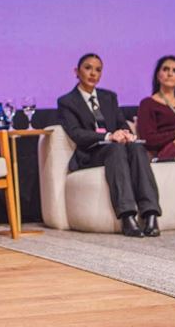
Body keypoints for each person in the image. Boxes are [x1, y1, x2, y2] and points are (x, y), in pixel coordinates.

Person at [57, 53, 161, 237]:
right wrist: (109, 136)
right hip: (91, 153)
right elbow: (76, 133)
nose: (93, 73)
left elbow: (121, 122)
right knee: (116, 149)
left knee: (137, 147)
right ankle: (127, 216)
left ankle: (151, 214)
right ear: (76, 71)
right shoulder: (67, 101)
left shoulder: (109, 97)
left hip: (116, 147)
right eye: (88, 68)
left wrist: (126, 133)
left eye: (98, 70)